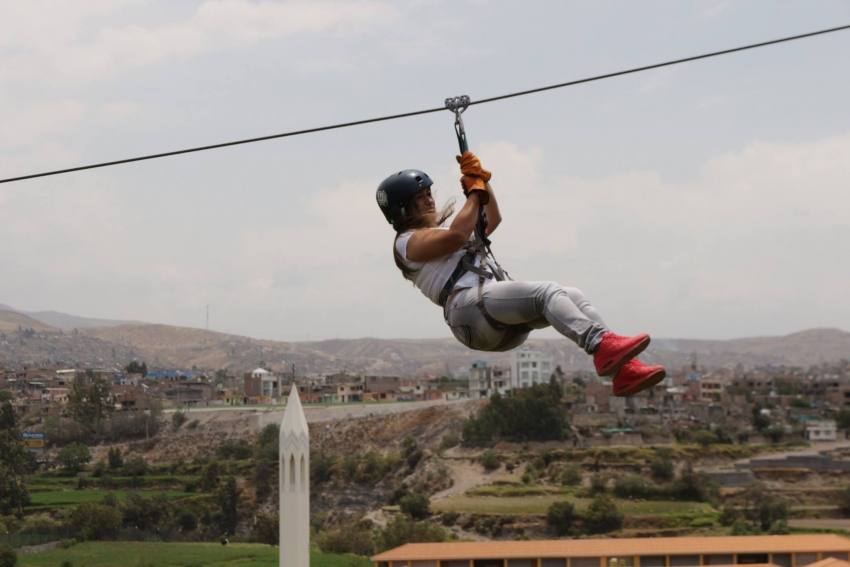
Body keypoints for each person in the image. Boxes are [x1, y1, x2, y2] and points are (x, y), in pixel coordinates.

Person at [375, 151, 666, 397]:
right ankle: (600, 345)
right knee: (546, 291)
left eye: (428, 193)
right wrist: (475, 192)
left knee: (571, 295)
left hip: (488, 318)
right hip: (469, 310)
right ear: (403, 209)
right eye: (420, 197)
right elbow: (458, 234)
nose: (429, 200)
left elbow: (493, 220)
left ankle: (623, 371)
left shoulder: (433, 235)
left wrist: (484, 186)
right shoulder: (405, 242)